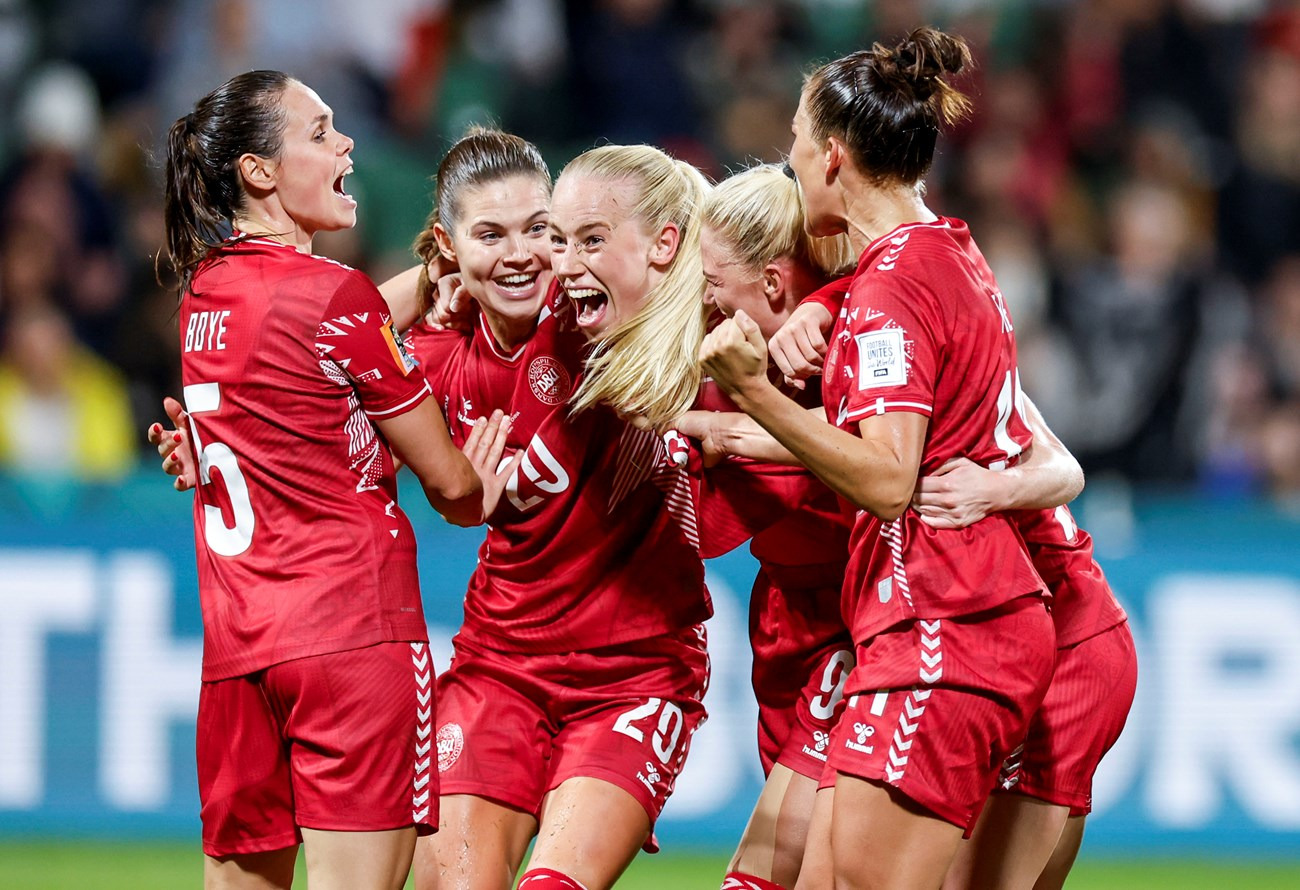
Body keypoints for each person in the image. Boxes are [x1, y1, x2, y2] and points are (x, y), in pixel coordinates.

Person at [698, 29, 1061, 890]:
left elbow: (889, 479)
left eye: (792, 139)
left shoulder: (894, 284)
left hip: (946, 619)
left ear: (831, 157)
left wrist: (754, 393)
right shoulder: (944, 252)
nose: (787, 160)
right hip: (938, 620)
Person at [158, 70, 482, 890]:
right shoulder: (334, 296)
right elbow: (453, 488)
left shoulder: (204, 294)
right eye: (319, 132)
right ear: (259, 173)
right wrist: (488, 468)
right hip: (352, 642)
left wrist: (426, 291)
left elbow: (305, 358)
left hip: (239, 654)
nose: (344, 145)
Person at [401, 136, 716, 890]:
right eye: (490, 235)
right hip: (500, 665)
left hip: (634, 672)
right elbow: (321, 342)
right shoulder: (430, 360)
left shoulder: (592, 313)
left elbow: (690, 259)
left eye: (540, 230)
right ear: (446, 246)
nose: (523, 256)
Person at [683, 162, 858, 890]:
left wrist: (717, 428)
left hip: (857, 621)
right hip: (781, 618)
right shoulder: (728, 351)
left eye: (713, 285)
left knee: (771, 871)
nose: (701, 303)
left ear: (775, 284)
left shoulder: (856, 344)